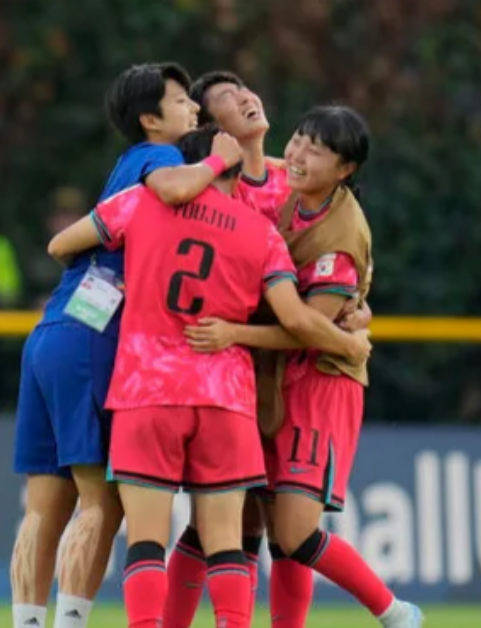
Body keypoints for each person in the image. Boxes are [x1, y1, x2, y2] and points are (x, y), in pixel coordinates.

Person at [46, 125, 371, 628]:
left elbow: (61, 245)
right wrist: (351, 334)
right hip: (226, 396)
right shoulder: (261, 232)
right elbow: (295, 316)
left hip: (146, 390)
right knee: (225, 544)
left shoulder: (143, 202)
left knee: (147, 541)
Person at [9, 62, 235, 628]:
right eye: (182, 102)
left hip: (53, 330)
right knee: (100, 502)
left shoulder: (123, 165)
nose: (194, 111)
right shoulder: (163, 158)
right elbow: (173, 188)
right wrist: (219, 160)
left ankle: (27, 621)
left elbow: (63, 245)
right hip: (94, 337)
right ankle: (70, 623)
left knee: (42, 508)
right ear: (150, 119)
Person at [184, 106, 423, 628]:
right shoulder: (294, 193)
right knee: (258, 521)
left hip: (320, 382)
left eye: (316, 150)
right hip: (273, 378)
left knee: (293, 532)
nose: (297, 154)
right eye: (299, 139)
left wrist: (234, 333)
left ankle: (396, 613)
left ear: (345, 170)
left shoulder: (339, 237)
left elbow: (306, 329)